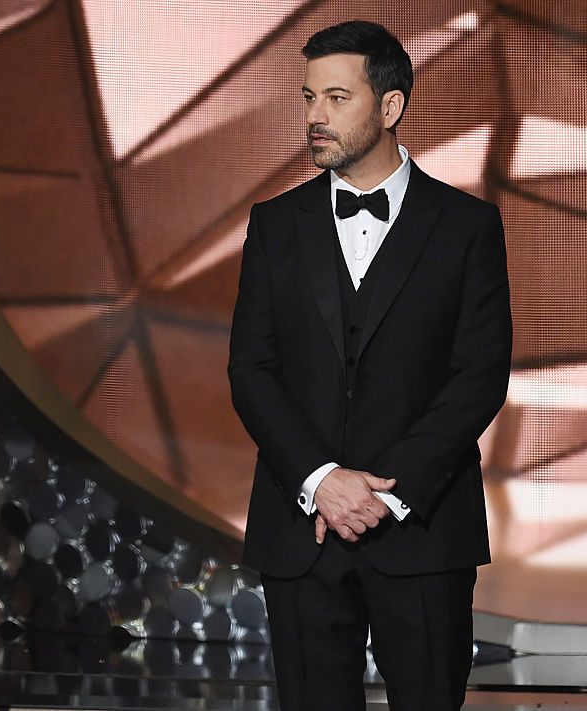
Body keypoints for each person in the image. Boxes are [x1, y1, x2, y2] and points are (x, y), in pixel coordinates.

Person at [227, 20, 511, 711]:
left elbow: (478, 377)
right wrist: (322, 481)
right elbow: (251, 370)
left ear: (389, 107)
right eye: (307, 98)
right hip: (302, 531)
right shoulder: (274, 224)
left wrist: (387, 491)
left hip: (423, 528)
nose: (314, 117)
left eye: (334, 97)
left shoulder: (467, 226)